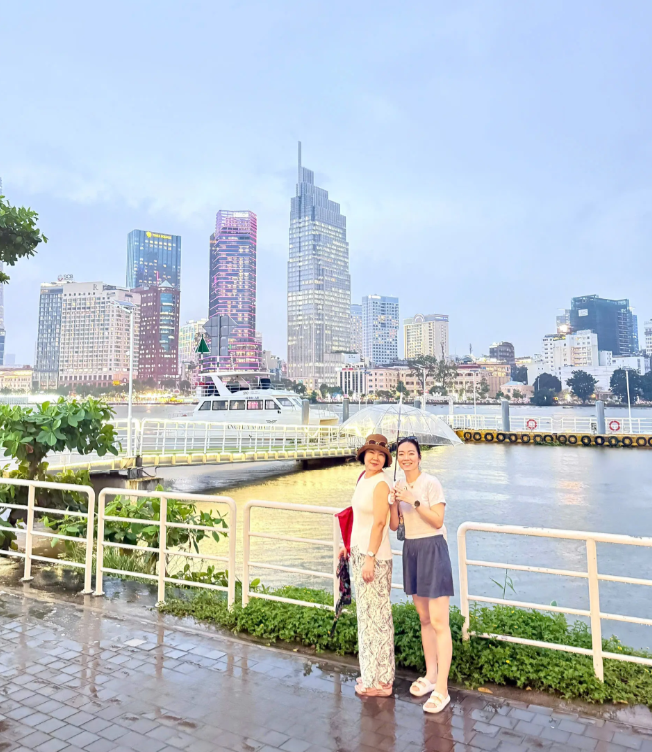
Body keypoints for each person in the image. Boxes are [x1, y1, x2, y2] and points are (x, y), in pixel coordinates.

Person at [389, 437, 454, 713]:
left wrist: (412, 500)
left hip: (433, 548)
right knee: (424, 618)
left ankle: (443, 689)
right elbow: (395, 526)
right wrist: (393, 502)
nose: (406, 458)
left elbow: (437, 520)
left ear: (419, 456)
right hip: (412, 550)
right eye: (401, 454)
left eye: (411, 453)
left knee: (439, 621)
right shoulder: (398, 485)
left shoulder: (430, 483)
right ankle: (431, 676)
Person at [347, 433, 394, 697]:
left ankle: (381, 682)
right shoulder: (363, 478)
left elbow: (380, 523)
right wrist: (348, 545)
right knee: (366, 617)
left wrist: (370, 557)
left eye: (380, 455)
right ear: (363, 455)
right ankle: (371, 674)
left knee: (378, 619)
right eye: (371, 453)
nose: (375, 458)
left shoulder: (381, 484)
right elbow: (358, 518)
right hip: (360, 552)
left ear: (386, 459)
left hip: (373, 557)